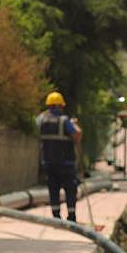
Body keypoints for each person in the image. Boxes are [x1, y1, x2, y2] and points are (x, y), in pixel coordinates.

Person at [36, 91, 83, 221]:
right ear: (61, 106)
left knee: (53, 189)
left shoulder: (41, 120)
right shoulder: (65, 121)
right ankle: (71, 216)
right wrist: (75, 124)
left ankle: (56, 217)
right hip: (66, 162)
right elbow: (77, 136)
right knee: (70, 189)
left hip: (48, 162)